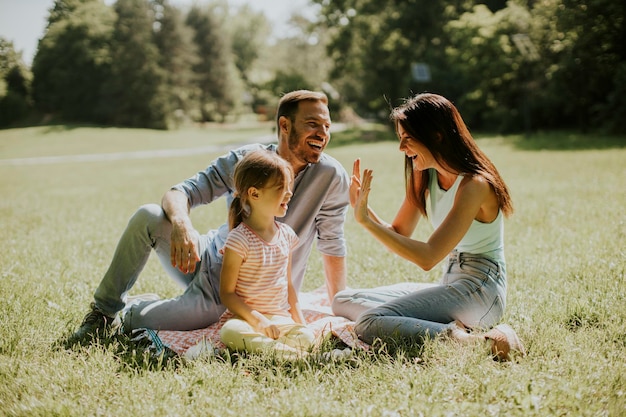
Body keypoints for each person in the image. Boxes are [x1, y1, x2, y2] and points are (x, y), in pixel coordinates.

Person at [67, 90, 349, 344]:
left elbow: (332, 242)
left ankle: (147, 308)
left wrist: (339, 307)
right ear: (284, 125)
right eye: (312, 124)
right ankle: (103, 313)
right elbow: (181, 192)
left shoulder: (331, 176)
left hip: (257, 290)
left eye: (327, 126)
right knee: (148, 215)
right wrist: (181, 223)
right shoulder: (247, 160)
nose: (323, 133)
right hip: (208, 261)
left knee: (169, 317)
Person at [332, 93, 525, 361]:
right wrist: (363, 211)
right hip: (451, 282)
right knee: (342, 300)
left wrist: (365, 221)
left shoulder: (475, 185)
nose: (401, 148)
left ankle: (476, 342)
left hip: (481, 291)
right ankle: (444, 326)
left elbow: (427, 256)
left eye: (407, 138)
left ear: (436, 136)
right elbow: (398, 234)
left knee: (369, 322)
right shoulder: (424, 177)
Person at [218, 150, 315, 355]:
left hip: (279, 319)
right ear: (254, 194)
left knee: (306, 337)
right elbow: (227, 294)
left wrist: (302, 324)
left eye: (289, 187)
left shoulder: (286, 235)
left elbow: (289, 286)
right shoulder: (239, 240)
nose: (289, 193)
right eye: (281, 187)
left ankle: (275, 351)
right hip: (246, 320)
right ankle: (294, 356)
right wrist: (259, 321)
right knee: (229, 332)